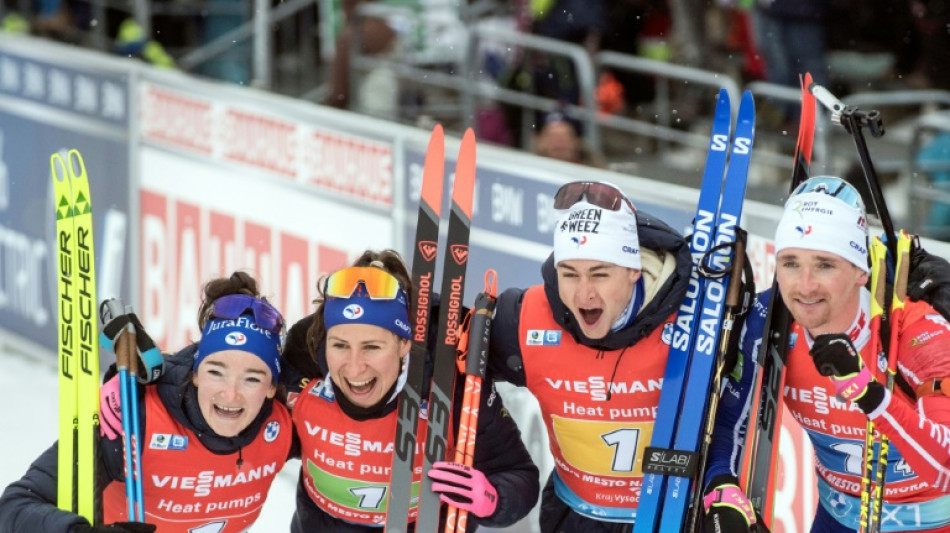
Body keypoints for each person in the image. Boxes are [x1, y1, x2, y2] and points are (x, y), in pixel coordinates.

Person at [707, 176, 950, 532]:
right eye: (790, 263)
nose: (804, 286)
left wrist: (870, 394)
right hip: (838, 518)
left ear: (858, 271)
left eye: (824, 265)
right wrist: (721, 489)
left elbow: (944, 468)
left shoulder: (917, 331)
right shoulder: (769, 321)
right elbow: (729, 422)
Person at [0, 271, 295, 533]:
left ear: (272, 388)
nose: (230, 395)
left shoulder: (282, 427)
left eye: (252, 379)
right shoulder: (135, 419)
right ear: (195, 374)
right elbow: (15, 507)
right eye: (216, 372)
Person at [487, 179, 699, 531]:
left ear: (633, 270)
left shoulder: (694, 313)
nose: (584, 294)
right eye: (569, 274)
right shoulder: (524, 318)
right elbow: (462, 379)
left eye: (600, 275)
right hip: (575, 515)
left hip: (672, 517)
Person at [280, 249, 540, 532]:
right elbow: (260, 441)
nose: (354, 369)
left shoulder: (450, 385)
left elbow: (516, 473)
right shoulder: (303, 370)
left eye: (372, 347)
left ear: (404, 344)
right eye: (340, 345)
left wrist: (492, 499)